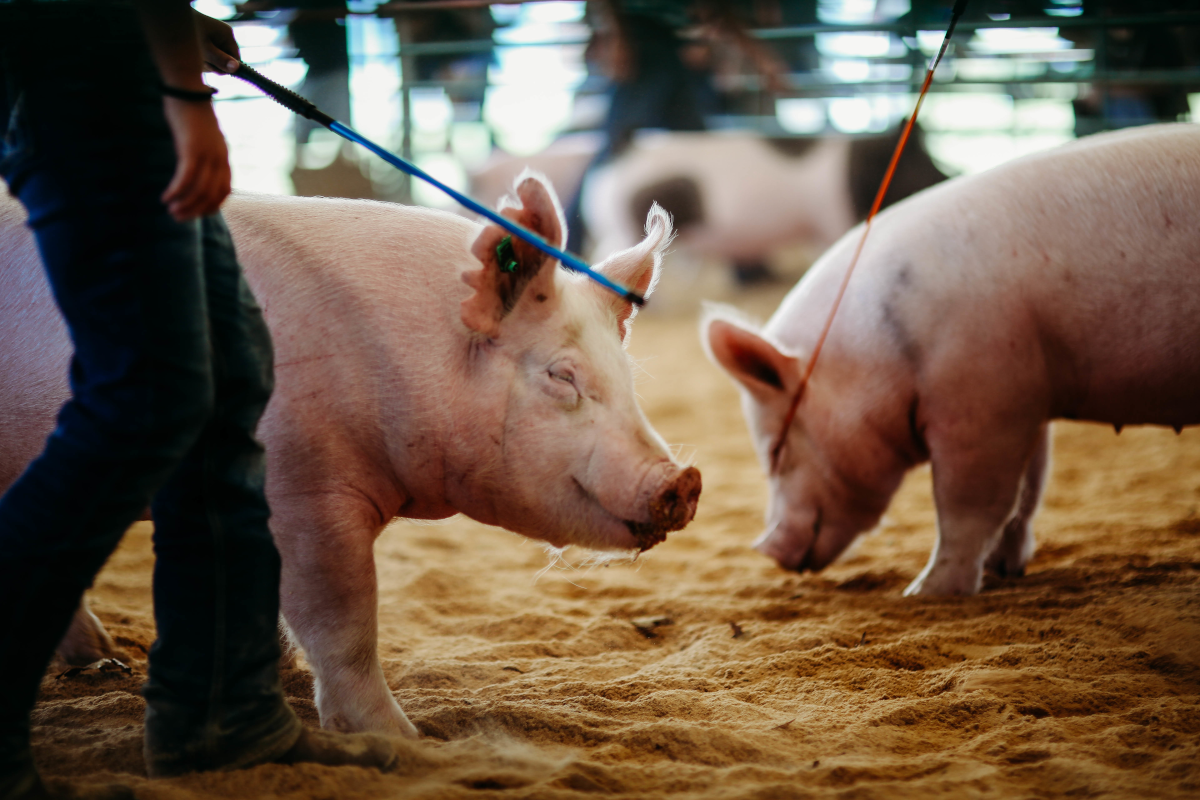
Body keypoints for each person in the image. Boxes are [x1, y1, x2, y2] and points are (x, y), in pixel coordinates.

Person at [0, 3, 398, 799]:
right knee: (148, 391)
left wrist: (173, 28)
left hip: (110, 64)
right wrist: (185, 93)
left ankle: (221, 711)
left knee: (226, 377)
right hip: (87, 72)